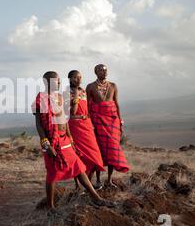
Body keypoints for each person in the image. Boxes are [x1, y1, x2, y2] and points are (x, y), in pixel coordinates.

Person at [32, 71, 112, 209]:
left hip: (64, 139)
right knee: (52, 173)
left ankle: (97, 199)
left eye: (58, 80)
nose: (58, 82)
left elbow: (63, 118)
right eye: (55, 80)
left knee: (79, 167)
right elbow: (39, 123)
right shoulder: (42, 98)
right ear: (47, 82)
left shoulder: (58, 97)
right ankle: (50, 207)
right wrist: (46, 143)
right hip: (51, 141)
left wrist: (70, 137)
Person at [86, 64, 130, 188]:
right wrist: (89, 124)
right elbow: (88, 108)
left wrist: (120, 121)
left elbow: (116, 104)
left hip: (112, 121)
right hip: (97, 121)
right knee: (99, 151)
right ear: (96, 72)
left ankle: (109, 180)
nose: (103, 72)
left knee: (112, 149)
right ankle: (98, 180)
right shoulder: (90, 87)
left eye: (105, 70)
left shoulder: (113, 86)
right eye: (100, 70)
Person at [66, 70, 106, 190]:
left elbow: (88, 108)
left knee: (95, 155)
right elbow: (72, 112)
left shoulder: (83, 91)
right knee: (79, 155)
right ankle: (78, 186)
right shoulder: (65, 93)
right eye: (75, 77)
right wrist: (75, 95)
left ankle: (88, 182)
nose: (78, 79)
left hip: (87, 125)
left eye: (79, 77)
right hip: (74, 126)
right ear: (69, 79)